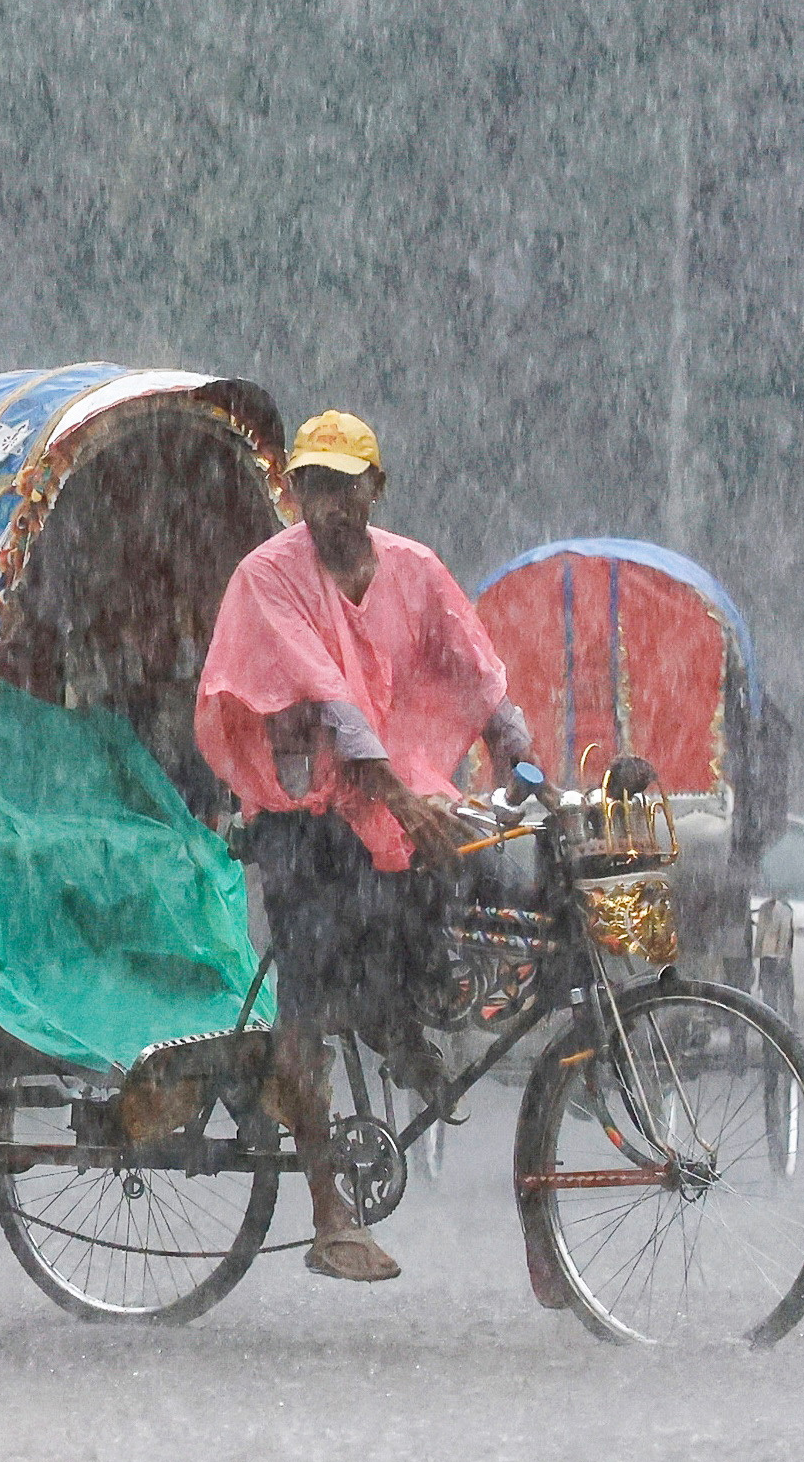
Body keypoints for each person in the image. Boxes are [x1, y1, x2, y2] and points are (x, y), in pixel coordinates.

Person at [190, 409, 541, 1287]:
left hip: (392, 794)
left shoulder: (414, 570)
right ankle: (326, 1210)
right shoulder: (269, 578)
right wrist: (394, 797)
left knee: (475, 876)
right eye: (313, 485)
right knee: (307, 991)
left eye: (345, 485)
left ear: (374, 488)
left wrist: (524, 761)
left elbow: (480, 673)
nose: (329, 505)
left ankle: (396, 1011)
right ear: (296, 491)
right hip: (303, 804)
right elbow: (327, 696)